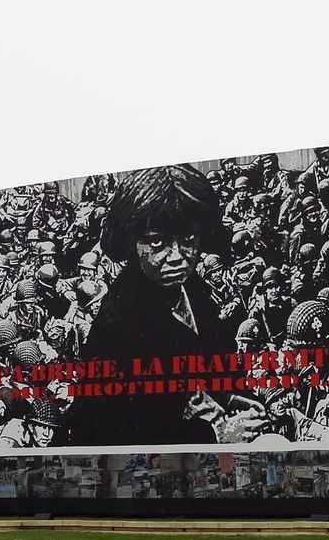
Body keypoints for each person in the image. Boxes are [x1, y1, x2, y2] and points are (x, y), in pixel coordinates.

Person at [62, 164, 240, 447]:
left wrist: (235, 396)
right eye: (157, 242)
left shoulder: (193, 289)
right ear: (131, 240)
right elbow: (124, 433)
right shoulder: (118, 321)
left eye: (189, 240)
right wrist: (218, 435)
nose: (177, 257)